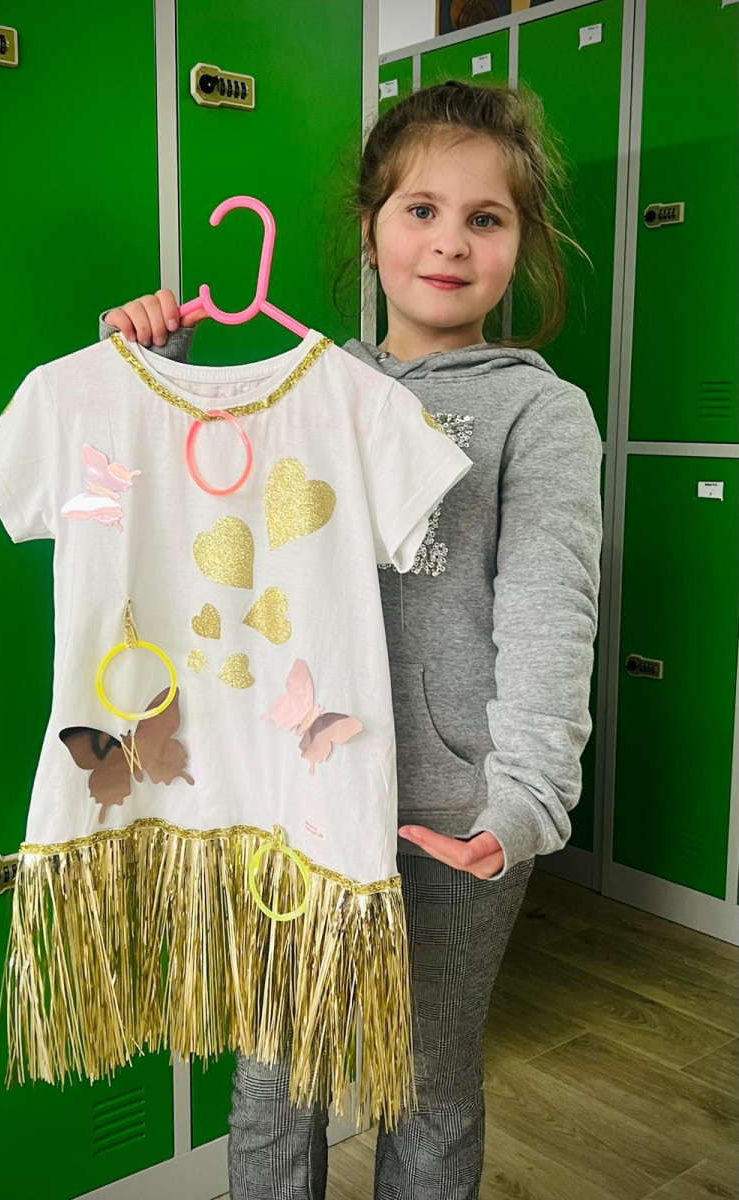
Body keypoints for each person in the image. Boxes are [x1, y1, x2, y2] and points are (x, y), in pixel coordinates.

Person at [94, 79, 603, 1200]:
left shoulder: (540, 413)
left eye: (485, 218)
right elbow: (179, 495)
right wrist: (156, 360)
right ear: (369, 231)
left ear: (522, 244)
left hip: (449, 812)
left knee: (428, 1085)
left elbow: (551, 611)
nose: (451, 242)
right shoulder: (297, 386)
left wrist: (522, 802)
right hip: (293, 799)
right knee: (273, 1082)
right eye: (422, 209)